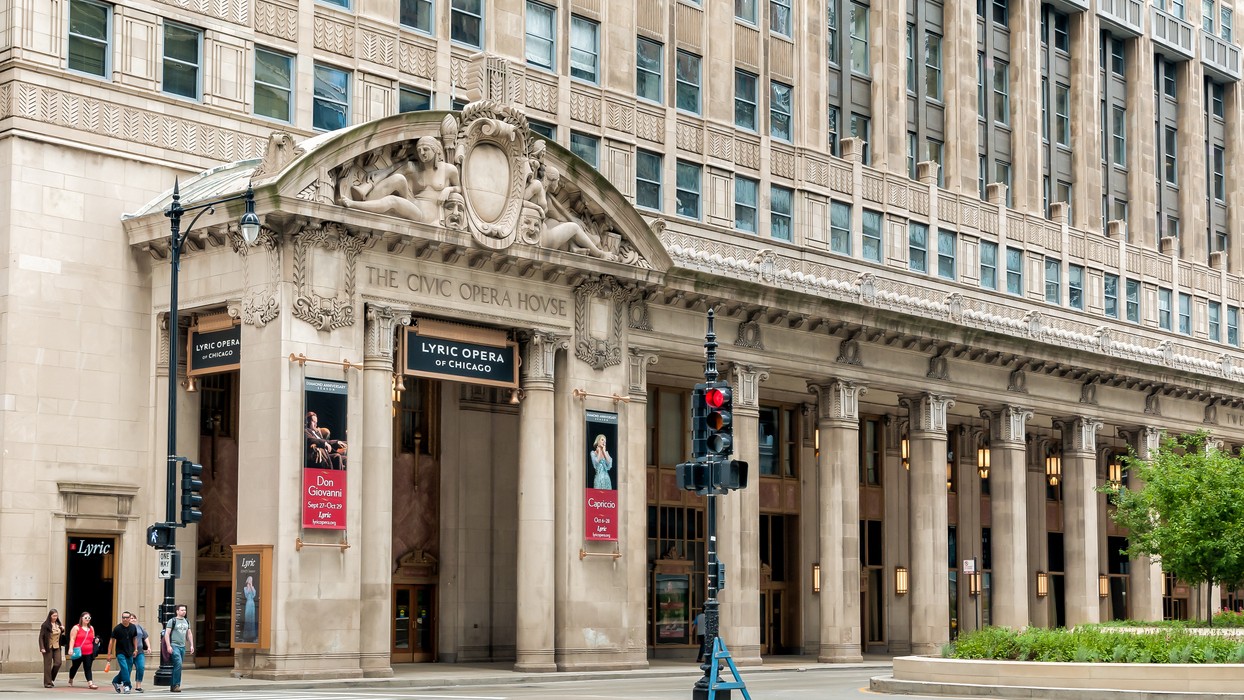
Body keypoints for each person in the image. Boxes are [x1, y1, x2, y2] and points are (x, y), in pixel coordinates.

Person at [342, 136, 460, 222]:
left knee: (393, 200)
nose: (422, 153)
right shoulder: (414, 167)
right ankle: (367, 201)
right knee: (398, 178)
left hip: (425, 213)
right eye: (419, 150)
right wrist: (379, 173)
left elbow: (460, 188)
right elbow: (392, 173)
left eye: (426, 149)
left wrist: (448, 190)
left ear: (435, 150)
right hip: (413, 202)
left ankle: (354, 205)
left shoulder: (449, 170)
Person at [163, 604, 194, 693]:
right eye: (182, 610)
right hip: (174, 645)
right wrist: (169, 646)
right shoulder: (172, 621)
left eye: (185, 610)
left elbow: (189, 633)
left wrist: (191, 645)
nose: (184, 612)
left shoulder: (187, 621)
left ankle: (173, 685)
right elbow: (167, 634)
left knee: (177, 666)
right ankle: (176, 684)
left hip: (182, 646)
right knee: (178, 664)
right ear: (177, 611)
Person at [107, 611, 139, 694]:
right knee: (124, 668)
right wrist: (109, 654)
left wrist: (136, 649)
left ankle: (115, 681)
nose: (124, 619)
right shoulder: (117, 628)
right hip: (120, 652)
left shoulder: (133, 627)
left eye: (126, 618)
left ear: (129, 618)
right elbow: (112, 641)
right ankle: (127, 685)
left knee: (128, 669)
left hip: (130, 651)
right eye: (123, 617)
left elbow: (135, 638)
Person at [66, 611, 99, 689]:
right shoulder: (76, 627)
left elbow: (92, 638)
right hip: (78, 651)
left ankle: (90, 683)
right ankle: (71, 679)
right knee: (75, 667)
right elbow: (72, 639)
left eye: (89, 618)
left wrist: (96, 641)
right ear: (81, 618)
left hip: (89, 651)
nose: (87, 619)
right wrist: (70, 648)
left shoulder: (91, 628)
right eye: (86, 618)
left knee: (88, 667)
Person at [38, 609, 66, 687]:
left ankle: (50, 678)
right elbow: (41, 637)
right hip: (48, 647)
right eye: (53, 616)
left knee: (58, 663)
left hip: (57, 646)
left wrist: (62, 630)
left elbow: (59, 634)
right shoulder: (45, 625)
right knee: (47, 665)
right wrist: (42, 647)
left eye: (56, 616)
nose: (55, 617)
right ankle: (47, 683)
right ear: (50, 616)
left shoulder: (58, 624)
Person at [130, 617, 150, 693]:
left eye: (134, 618)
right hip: (129, 652)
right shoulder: (126, 628)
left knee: (141, 667)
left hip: (140, 651)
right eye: (131, 618)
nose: (133, 620)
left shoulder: (140, 627)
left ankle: (138, 686)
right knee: (127, 669)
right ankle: (126, 684)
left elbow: (146, 637)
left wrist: (149, 647)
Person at [242, 576, 258, 643]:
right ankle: (246, 636)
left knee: (252, 619)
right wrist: (248, 586)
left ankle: (253, 636)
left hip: (252, 603)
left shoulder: (253, 588)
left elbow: (254, 594)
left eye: (251, 580)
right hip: (248, 603)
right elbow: (246, 595)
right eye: (250, 580)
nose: (251, 581)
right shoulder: (245, 588)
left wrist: (251, 586)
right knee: (247, 619)